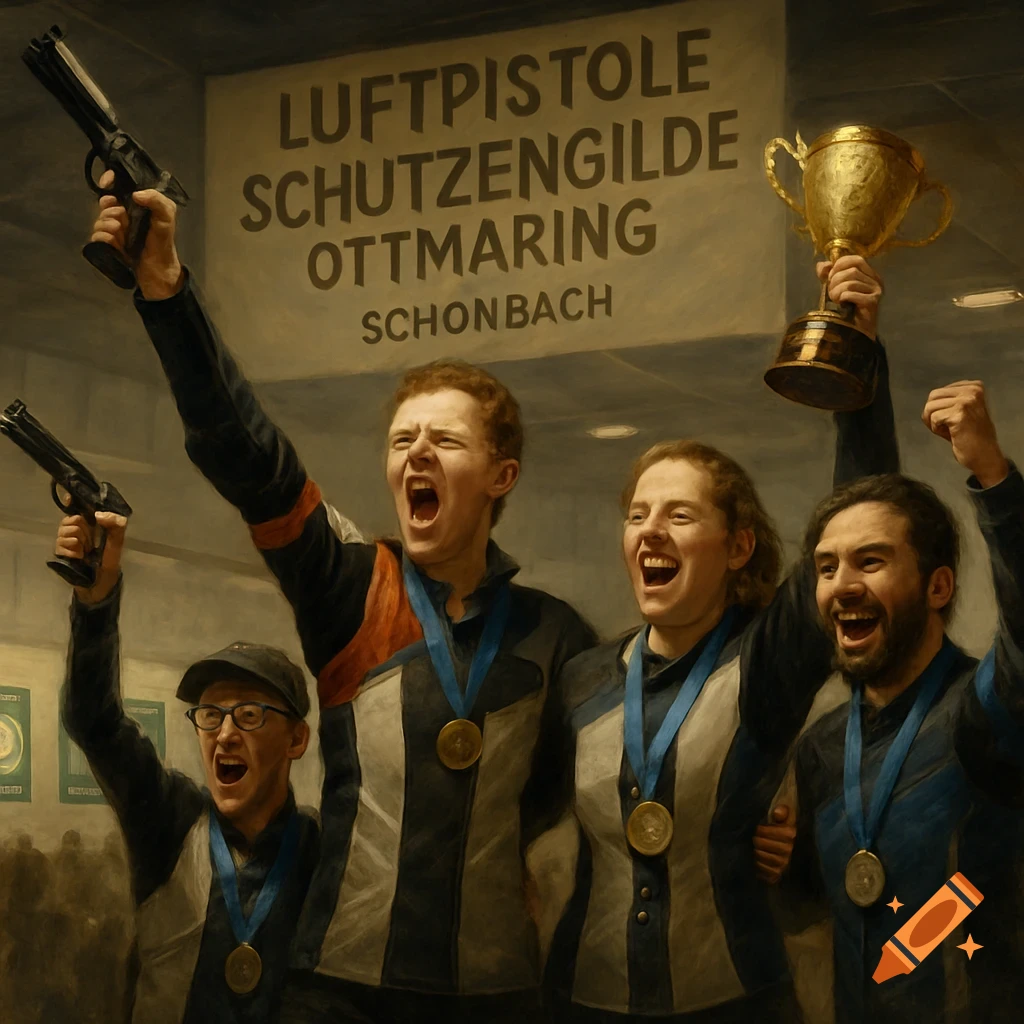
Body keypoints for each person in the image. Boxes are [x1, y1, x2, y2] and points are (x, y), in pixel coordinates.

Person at [89, 172, 596, 1023]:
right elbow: (249, 456)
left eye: (444, 439)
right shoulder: (355, 586)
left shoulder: (556, 633)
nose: (416, 454)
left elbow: (577, 784)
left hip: (500, 992)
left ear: (500, 476)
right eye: (403, 440)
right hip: (342, 993)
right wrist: (167, 295)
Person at [543, 259, 897, 1022]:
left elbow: (864, 507)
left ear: (737, 548)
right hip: (580, 1001)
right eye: (637, 515)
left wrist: (856, 361)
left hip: (736, 1003)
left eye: (678, 516)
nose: (649, 533)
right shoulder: (581, 678)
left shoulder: (765, 661)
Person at [778, 380, 1024, 1023]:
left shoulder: (989, 709)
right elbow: (805, 912)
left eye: (871, 561)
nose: (841, 585)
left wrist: (994, 476)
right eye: (827, 567)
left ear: (938, 585)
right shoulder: (821, 746)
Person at [58, 511, 320, 1024]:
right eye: (210, 715)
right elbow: (94, 722)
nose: (224, 734)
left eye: (248, 715)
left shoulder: (322, 852)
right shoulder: (169, 821)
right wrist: (95, 603)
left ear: (296, 739)